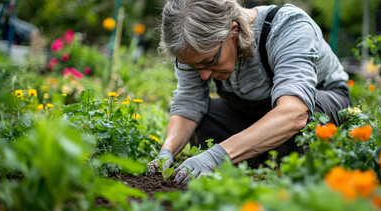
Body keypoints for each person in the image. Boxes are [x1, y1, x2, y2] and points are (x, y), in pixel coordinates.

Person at [148, 0, 350, 184]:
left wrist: (217, 155)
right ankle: (262, 152)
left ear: (233, 31)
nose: (203, 75)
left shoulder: (287, 26)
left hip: (318, 101)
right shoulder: (196, 51)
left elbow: (294, 112)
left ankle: (269, 159)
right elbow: (189, 103)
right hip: (254, 112)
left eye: (208, 62)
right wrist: (168, 150)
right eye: (193, 67)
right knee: (205, 120)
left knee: (311, 115)